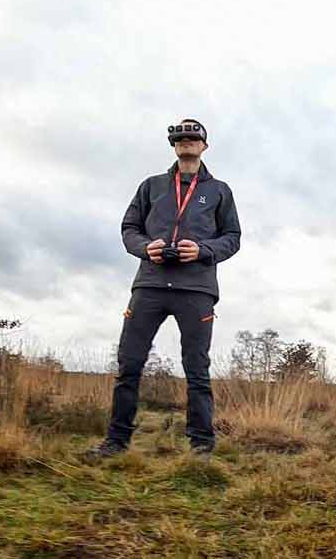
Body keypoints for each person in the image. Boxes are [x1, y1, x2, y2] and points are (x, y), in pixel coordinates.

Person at [86, 118, 242, 460]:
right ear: (174, 145)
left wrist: (203, 250)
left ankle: (201, 447)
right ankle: (116, 443)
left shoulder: (219, 191)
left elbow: (233, 238)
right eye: (181, 138)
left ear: (204, 145)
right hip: (150, 284)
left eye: (193, 137)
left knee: (197, 369)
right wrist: (145, 247)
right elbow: (129, 227)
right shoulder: (151, 186)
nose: (187, 142)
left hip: (197, 289)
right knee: (129, 364)